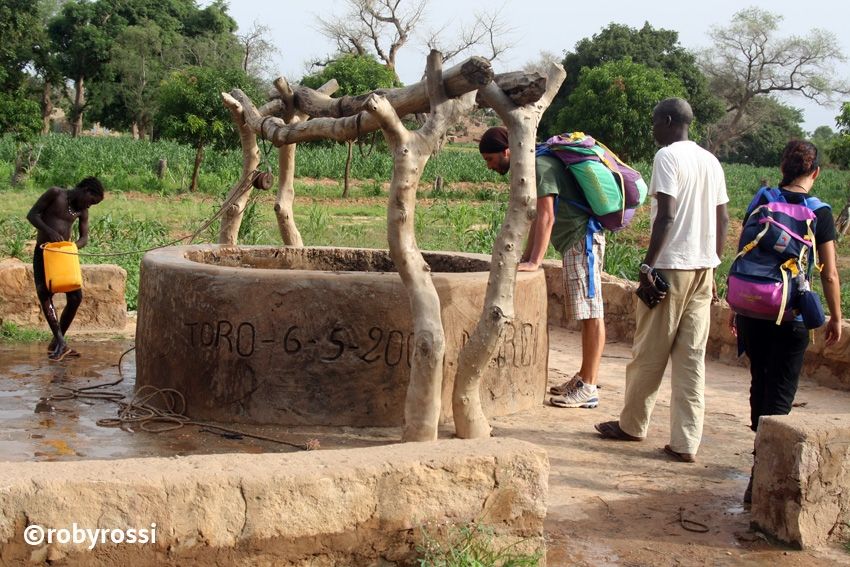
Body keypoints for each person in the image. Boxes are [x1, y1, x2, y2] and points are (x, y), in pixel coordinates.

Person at [594, 98, 729, 463]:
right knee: (691, 360)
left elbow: (665, 216)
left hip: (671, 268)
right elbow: (724, 220)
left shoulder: (668, 157)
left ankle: (633, 425)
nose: (653, 128)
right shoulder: (710, 161)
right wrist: (714, 266)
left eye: (655, 122)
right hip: (703, 271)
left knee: (648, 354)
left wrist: (647, 265)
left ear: (669, 121)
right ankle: (685, 443)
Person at [730, 140, 842, 503]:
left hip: (753, 306)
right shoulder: (820, 212)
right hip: (791, 312)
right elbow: (829, 273)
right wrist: (835, 316)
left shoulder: (762, 199)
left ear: (783, 168)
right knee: (780, 393)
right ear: (816, 173)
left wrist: (737, 306)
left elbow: (743, 251)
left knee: (759, 381)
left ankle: (757, 459)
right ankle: (759, 475)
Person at [479, 126, 604, 409]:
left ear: (507, 151)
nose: (489, 166)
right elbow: (538, 218)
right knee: (586, 311)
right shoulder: (537, 162)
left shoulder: (540, 165)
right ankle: (584, 377)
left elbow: (547, 217)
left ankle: (590, 387)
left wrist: (535, 261)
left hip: (582, 238)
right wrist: (525, 257)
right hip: (574, 240)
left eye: (490, 159)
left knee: (591, 312)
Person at [27, 177, 105, 361]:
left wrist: (72, 247)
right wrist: (50, 232)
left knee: (75, 297)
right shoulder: (56, 194)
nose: (90, 205)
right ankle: (61, 342)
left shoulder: (82, 211)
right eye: (92, 201)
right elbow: (32, 215)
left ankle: (57, 342)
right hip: (44, 253)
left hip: (64, 255)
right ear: (86, 190)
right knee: (44, 293)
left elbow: (84, 238)